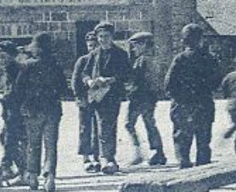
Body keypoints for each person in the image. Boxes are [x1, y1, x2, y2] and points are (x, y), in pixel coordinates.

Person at [165, 23, 222, 168]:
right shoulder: (210, 59)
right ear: (201, 40)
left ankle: (184, 171)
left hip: (183, 105)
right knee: (203, 142)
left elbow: (169, 83)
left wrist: (179, 98)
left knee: (182, 141)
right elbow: (216, 82)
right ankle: (203, 175)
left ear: (184, 41)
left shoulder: (180, 58)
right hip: (204, 104)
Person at [16, 32, 65, 192]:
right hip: (52, 108)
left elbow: (19, 88)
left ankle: (33, 176)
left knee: (33, 144)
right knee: (51, 145)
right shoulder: (56, 65)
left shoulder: (27, 65)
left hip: (32, 109)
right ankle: (50, 177)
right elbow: (63, 88)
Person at [83, 22, 131, 175]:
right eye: (100, 37)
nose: (103, 40)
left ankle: (107, 158)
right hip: (96, 96)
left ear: (112, 37)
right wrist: (89, 81)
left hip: (112, 95)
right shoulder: (93, 54)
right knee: (99, 127)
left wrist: (110, 79)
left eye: (106, 37)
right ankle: (103, 158)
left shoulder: (121, 54)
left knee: (106, 126)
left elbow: (126, 74)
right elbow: (84, 73)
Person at [123, 31, 168, 167]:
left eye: (136, 46)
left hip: (140, 97)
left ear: (143, 45)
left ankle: (138, 152)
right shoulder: (154, 59)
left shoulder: (143, 61)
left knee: (129, 124)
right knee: (149, 123)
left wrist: (128, 87)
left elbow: (138, 80)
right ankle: (158, 152)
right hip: (149, 97)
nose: (134, 49)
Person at [0, 40, 28, 186]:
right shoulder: (7, 71)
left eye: (3, 57)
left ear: (12, 56)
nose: (0, 61)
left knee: (10, 139)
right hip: (10, 112)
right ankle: (21, 170)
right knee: (6, 138)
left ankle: (7, 169)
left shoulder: (17, 70)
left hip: (18, 112)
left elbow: (15, 93)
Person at [72, 30, 101, 173]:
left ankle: (96, 157)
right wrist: (78, 97)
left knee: (98, 129)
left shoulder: (101, 60)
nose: (92, 49)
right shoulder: (82, 61)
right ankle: (86, 158)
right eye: (90, 46)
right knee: (85, 128)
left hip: (100, 100)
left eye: (95, 46)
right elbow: (75, 81)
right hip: (85, 100)